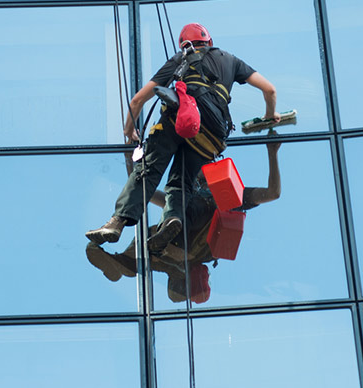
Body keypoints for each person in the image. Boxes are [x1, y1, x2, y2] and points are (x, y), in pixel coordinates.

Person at [86, 23, 279, 247]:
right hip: (213, 136)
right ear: (210, 42)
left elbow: (137, 101)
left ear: (185, 44)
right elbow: (270, 90)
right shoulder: (231, 60)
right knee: (181, 182)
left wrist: (129, 131)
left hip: (182, 120)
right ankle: (172, 218)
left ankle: (117, 222)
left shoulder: (180, 59)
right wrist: (269, 116)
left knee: (148, 170)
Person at [86, 133, 282, 303]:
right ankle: (122, 265)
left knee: (171, 219)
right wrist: (130, 156)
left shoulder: (231, 196)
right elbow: (144, 190)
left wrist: (272, 153)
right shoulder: (184, 197)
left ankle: (127, 265)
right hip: (177, 246)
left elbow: (273, 193)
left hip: (186, 245)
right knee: (163, 223)